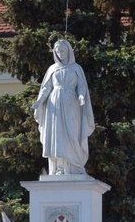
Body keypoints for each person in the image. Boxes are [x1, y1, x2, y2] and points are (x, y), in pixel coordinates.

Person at [33, 39, 95, 175]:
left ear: (69, 51)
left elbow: (82, 86)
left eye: (63, 50)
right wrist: (39, 101)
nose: (60, 53)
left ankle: (76, 165)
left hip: (71, 102)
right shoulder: (52, 69)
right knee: (57, 135)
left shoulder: (76, 68)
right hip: (54, 104)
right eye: (58, 51)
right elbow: (46, 87)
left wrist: (81, 96)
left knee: (73, 133)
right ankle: (60, 168)